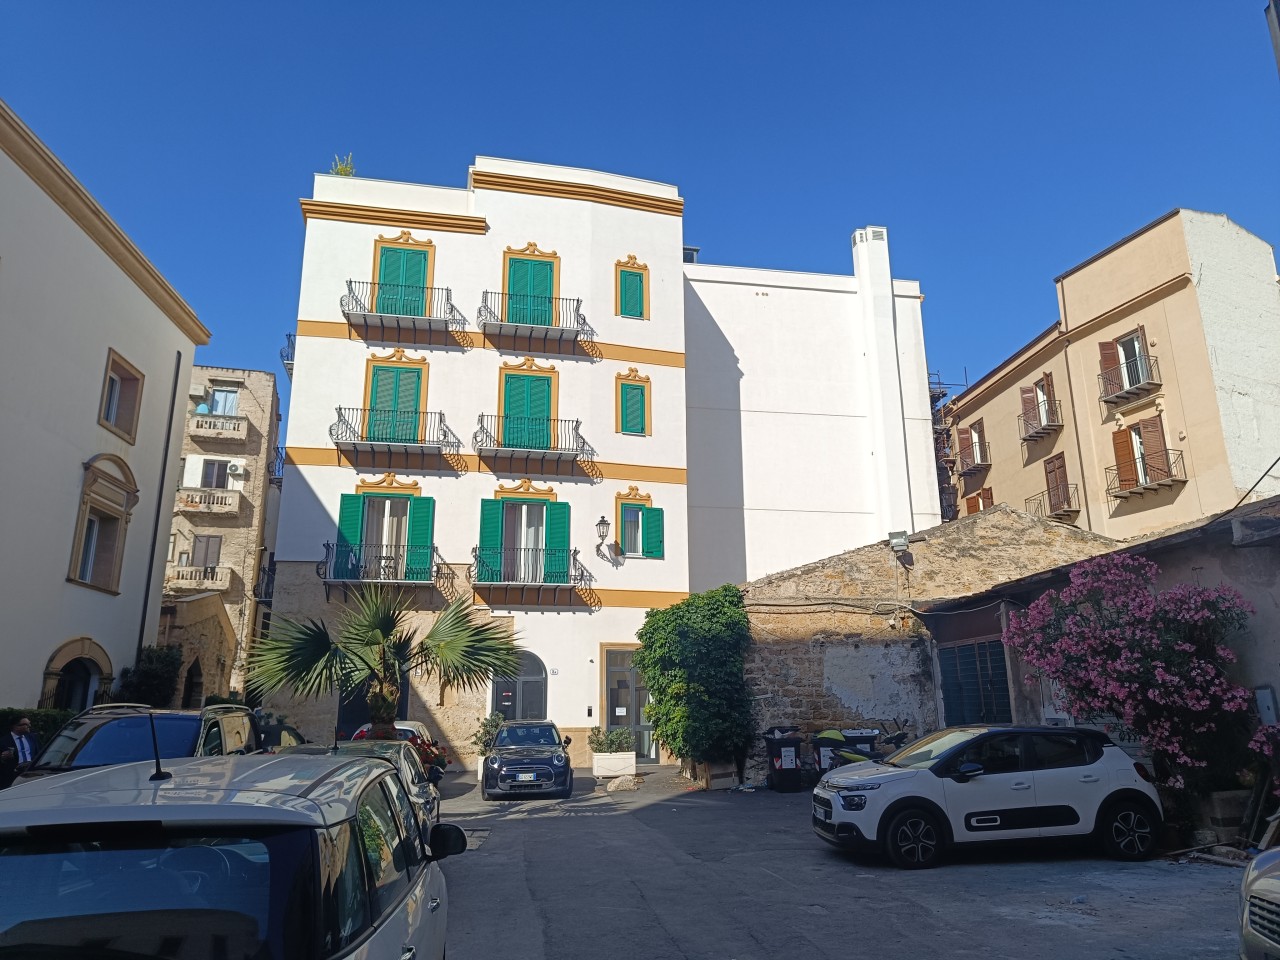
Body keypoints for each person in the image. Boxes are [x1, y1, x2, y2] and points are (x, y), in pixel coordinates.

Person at [0, 717, 40, 789]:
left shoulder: (32, 737)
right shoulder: (3, 741)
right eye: (26, 724)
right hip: (12, 775)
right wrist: (2, 757)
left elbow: (37, 754)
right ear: (15, 726)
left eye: (29, 723)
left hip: (30, 772)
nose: (29, 726)